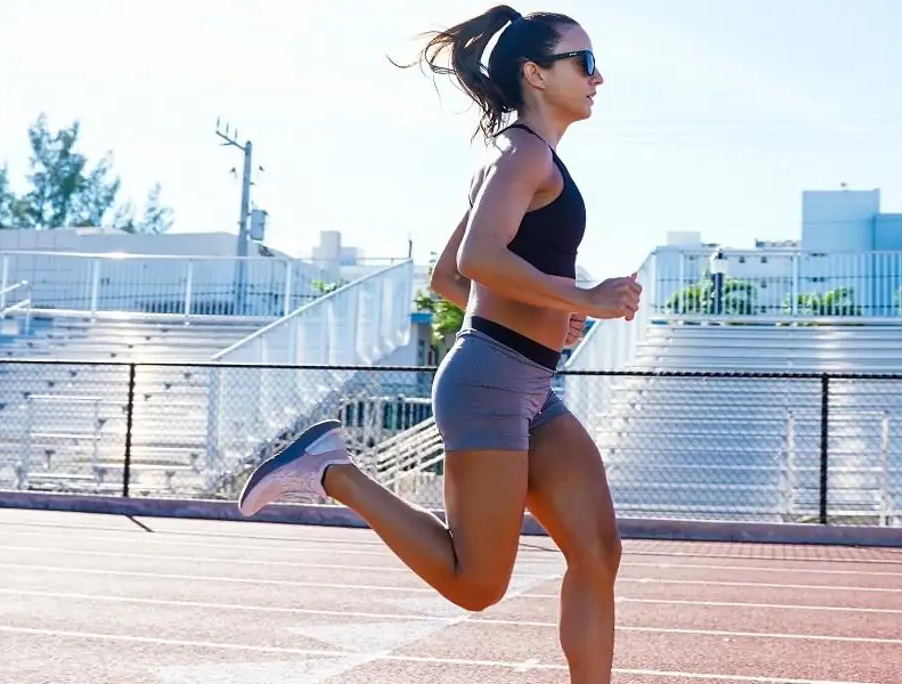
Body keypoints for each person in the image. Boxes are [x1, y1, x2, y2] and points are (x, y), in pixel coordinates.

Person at [236, 5, 640, 683]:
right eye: (586, 62)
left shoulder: (525, 158)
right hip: (488, 384)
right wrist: (583, 299)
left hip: (530, 385)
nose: (600, 78)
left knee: (598, 553)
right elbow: (481, 259)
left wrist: (551, 315)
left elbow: (447, 277)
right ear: (536, 74)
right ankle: (333, 472)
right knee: (475, 585)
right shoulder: (523, 154)